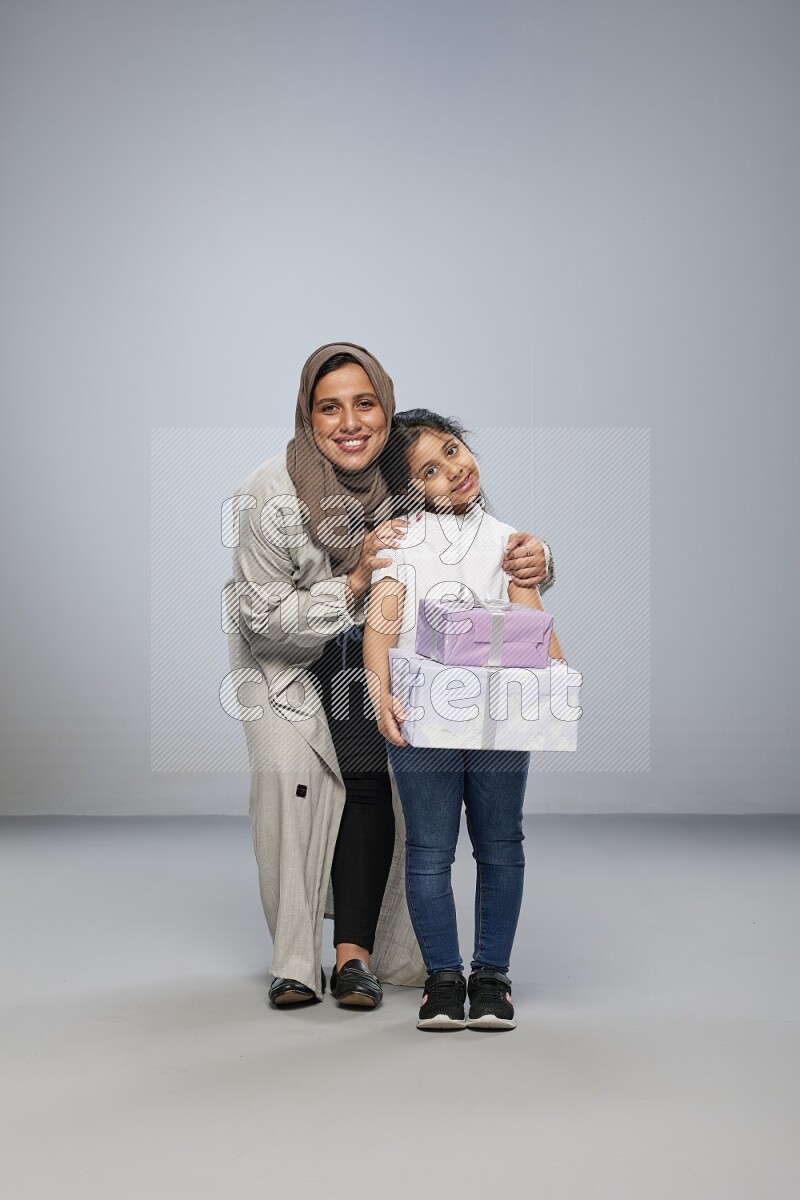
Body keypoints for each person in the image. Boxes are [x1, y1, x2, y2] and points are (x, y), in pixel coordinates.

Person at [226, 345, 555, 1012]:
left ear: (385, 407)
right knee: (288, 794)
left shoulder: (407, 468)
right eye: (329, 407)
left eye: (365, 402)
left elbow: (484, 545)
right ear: (308, 417)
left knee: (373, 785)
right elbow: (263, 618)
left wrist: (541, 559)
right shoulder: (270, 491)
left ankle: (357, 957)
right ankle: (294, 962)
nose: (350, 421)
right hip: (286, 657)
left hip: (377, 658)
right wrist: (351, 581)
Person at [363, 408, 565, 1031]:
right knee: (428, 850)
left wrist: (556, 676)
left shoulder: (507, 542)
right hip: (424, 720)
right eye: (430, 469)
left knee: (501, 845)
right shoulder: (403, 542)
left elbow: (536, 632)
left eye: (452, 451)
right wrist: (379, 690)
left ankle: (493, 976)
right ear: (409, 490)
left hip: (499, 723)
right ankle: (444, 980)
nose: (453, 470)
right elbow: (383, 618)